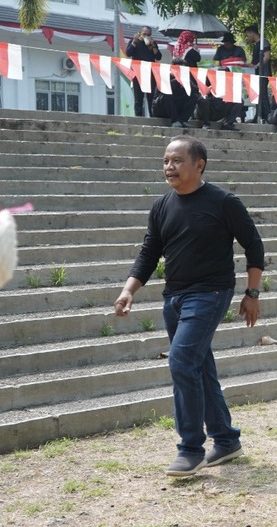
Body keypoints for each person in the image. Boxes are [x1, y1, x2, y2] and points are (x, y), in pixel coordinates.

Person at [113, 135, 266, 477]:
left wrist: (252, 294)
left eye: (178, 160)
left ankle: (191, 447)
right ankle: (226, 440)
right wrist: (129, 291)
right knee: (198, 366)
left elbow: (254, 247)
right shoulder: (162, 206)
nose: (170, 167)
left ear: (199, 164)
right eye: (166, 161)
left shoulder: (223, 202)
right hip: (175, 297)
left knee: (182, 359)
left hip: (211, 293)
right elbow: (149, 254)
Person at [153, 48, 200, 128]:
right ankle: (175, 121)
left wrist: (187, 83)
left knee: (194, 97)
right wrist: (176, 80)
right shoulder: (166, 76)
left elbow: (195, 91)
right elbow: (163, 91)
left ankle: (183, 120)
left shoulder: (186, 79)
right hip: (162, 107)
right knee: (166, 96)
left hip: (177, 106)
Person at [124, 25, 162, 117]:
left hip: (150, 72)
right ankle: (138, 117)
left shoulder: (152, 43)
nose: (146, 36)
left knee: (151, 96)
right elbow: (128, 53)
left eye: (148, 35)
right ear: (140, 33)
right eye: (144, 34)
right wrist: (133, 42)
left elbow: (159, 57)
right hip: (137, 72)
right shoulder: (135, 41)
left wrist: (153, 46)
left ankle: (152, 116)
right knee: (138, 97)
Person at [244, 24, 275, 125]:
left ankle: (268, 116)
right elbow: (254, 62)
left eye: (248, 35)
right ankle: (258, 114)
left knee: (262, 95)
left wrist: (257, 66)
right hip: (256, 73)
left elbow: (266, 56)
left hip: (263, 73)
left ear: (252, 33)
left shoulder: (263, 43)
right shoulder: (256, 45)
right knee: (257, 95)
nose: (248, 38)